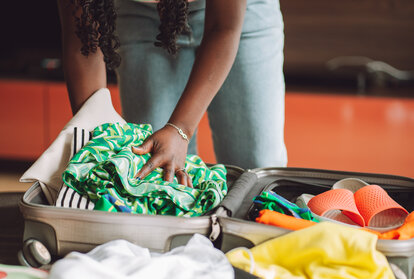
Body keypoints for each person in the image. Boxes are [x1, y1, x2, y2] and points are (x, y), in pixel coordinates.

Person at [57, 0, 287, 186]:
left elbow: (224, 27)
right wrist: (94, 136)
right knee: (155, 172)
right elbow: (82, 39)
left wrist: (181, 129)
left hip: (243, 14)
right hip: (140, 15)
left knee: (257, 166)